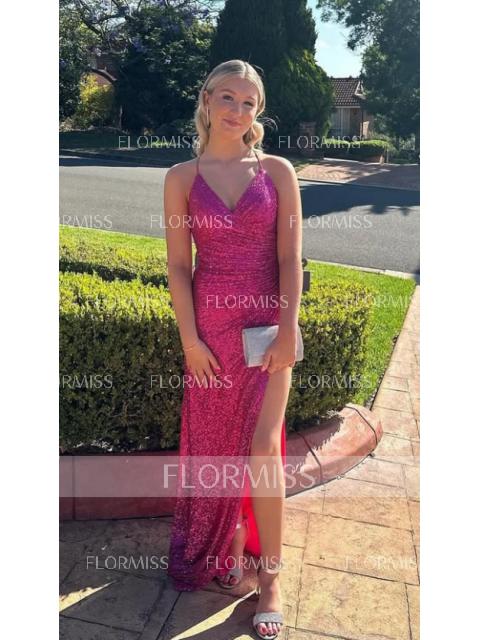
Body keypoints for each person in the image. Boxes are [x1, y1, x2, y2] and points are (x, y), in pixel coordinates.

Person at [164, 59, 303, 640]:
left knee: (263, 447)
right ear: (206, 100)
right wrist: (190, 340)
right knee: (219, 446)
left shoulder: (277, 171)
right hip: (212, 335)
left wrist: (289, 327)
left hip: (268, 327)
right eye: (227, 97)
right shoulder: (180, 177)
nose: (237, 111)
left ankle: (270, 578)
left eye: (248, 103)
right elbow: (178, 266)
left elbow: (289, 257)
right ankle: (231, 537)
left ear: (257, 112)